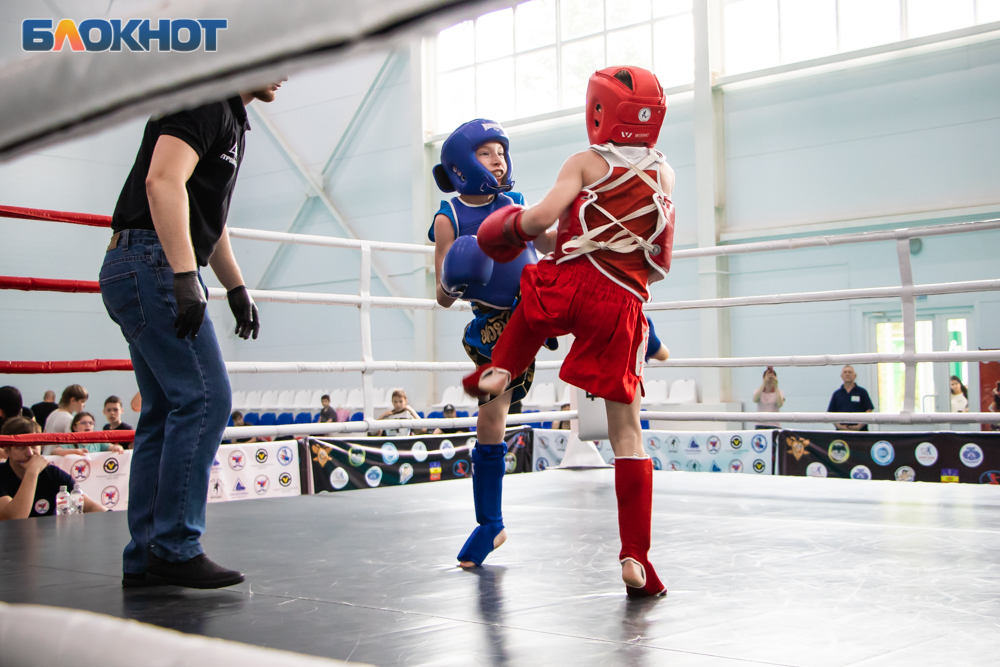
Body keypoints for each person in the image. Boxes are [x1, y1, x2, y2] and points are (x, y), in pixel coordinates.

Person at [462, 67, 675, 598]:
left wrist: (506, 229)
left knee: (535, 299)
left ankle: (501, 369)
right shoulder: (663, 174)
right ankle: (636, 559)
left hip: (572, 284)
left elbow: (540, 222)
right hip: (622, 303)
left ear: (598, 112)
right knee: (628, 432)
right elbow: (655, 255)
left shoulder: (583, 162)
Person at [100, 80, 282, 589]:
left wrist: (236, 285)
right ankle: (175, 545)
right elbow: (163, 183)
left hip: (143, 261)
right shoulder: (206, 100)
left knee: (165, 411)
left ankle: (146, 556)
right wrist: (183, 276)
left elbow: (207, 218)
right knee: (205, 399)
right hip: (150, 259)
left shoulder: (231, 120)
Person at [429, 118, 559, 571]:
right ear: (462, 165)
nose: (498, 160)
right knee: (490, 418)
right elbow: (442, 297)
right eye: (486, 153)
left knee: (492, 411)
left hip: (536, 309)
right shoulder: (449, 216)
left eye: (501, 151)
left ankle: (491, 523)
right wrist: (458, 273)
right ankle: (491, 522)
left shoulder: (515, 203)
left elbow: (547, 244)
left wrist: (574, 224)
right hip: (494, 326)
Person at [0, 417, 106, 520]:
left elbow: (91, 507)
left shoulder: (52, 473)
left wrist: (111, 520)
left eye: (34, 446)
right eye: (21, 447)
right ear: (7, 450)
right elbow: (14, 517)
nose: (30, 453)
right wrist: (32, 472)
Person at [42, 385, 90, 457]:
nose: (84, 405)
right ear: (73, 400)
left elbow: (43, 438)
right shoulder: (69, 419)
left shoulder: (53, 413)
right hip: (57, 459)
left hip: (46, 455)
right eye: (82, 401)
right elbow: (70, 445)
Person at [827, 365, 874, 431]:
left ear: (855, 376)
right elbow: (831, 413)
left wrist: (859, 426)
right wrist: (839, 426)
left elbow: (869, 410)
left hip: (860, 433)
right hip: (841, 433)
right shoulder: (836, 394)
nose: (847, 374)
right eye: (845, 372)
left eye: (850, 372)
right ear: (841, 376)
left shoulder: (862, 392)